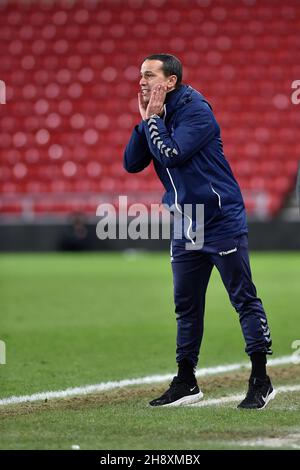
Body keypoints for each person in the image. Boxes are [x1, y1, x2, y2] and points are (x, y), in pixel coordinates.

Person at [123, 53, 275, 409]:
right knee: (186, 307)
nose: (141, 81)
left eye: (149, 75)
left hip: (219, 219)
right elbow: (131, 163)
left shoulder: (196, 110)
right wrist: (146, 121)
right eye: (140, 75)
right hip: (186, 221)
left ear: (171, 81)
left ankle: (261, 380)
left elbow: (172, 153)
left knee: (243, 299)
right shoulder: (159, 116)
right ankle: (186, 380)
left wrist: (154, 121)